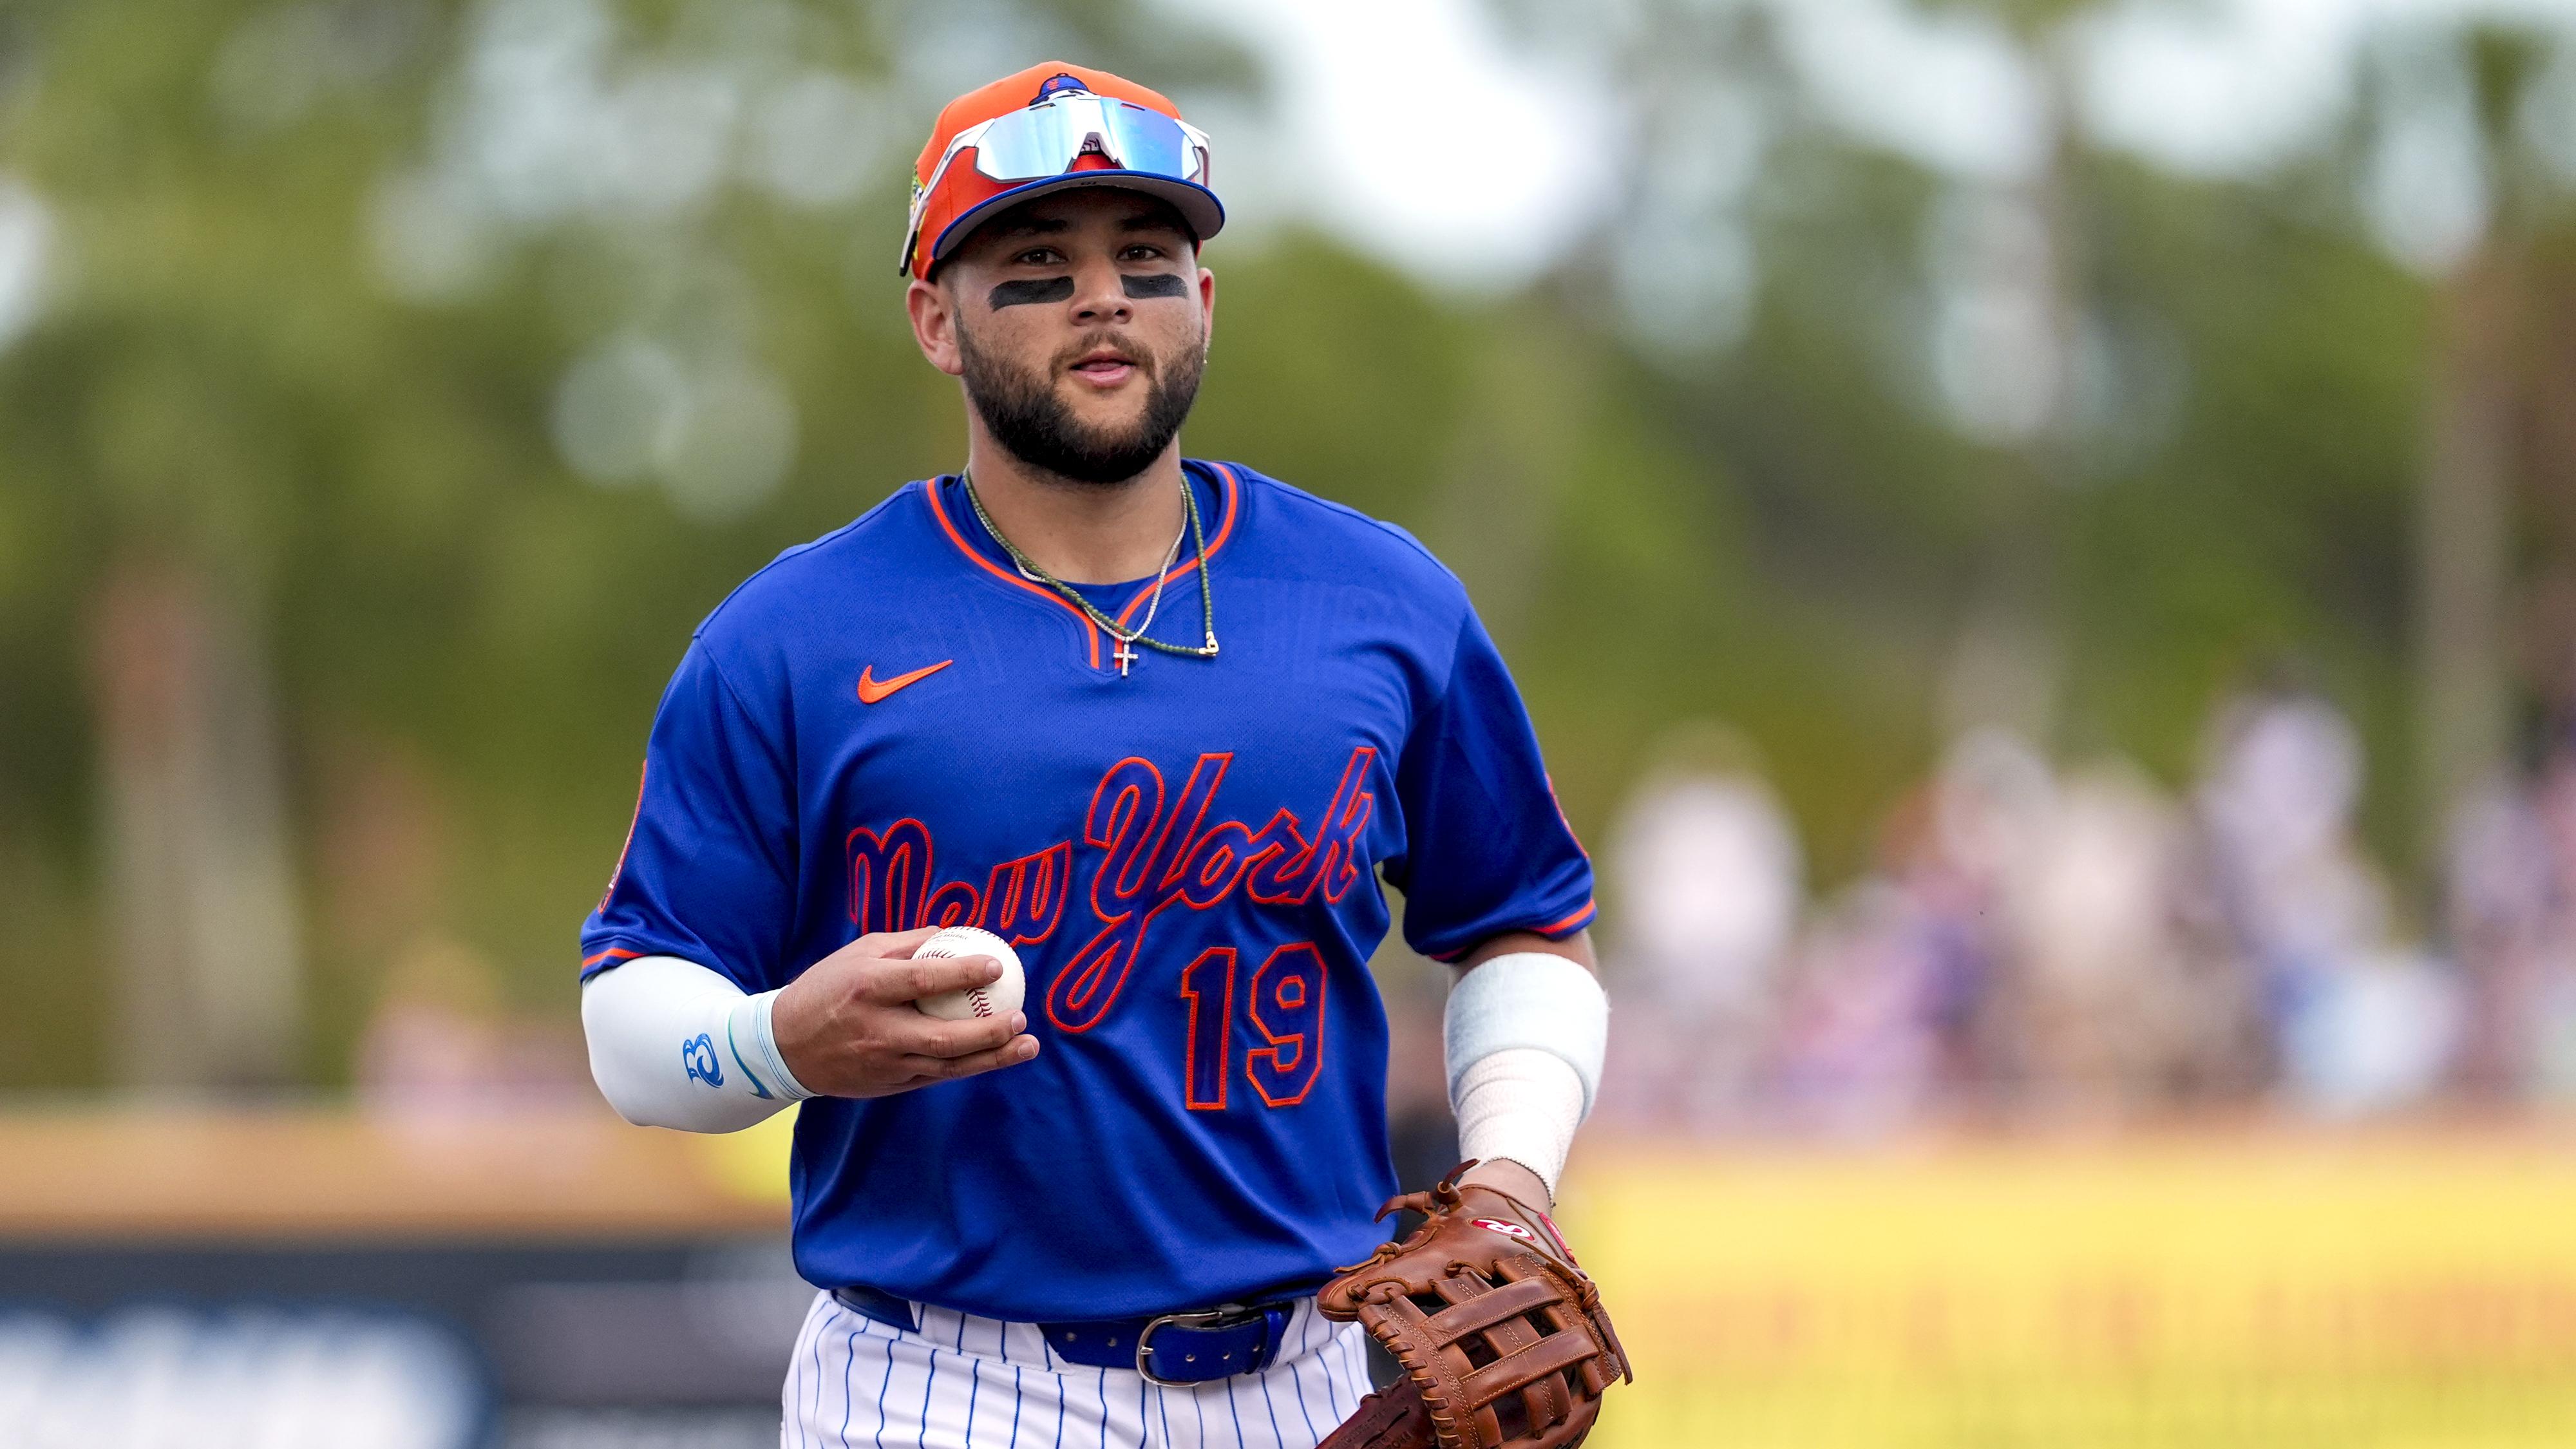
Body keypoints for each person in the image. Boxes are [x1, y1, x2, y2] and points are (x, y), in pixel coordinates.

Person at [573, 63, 1609, 1449]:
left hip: (1313, 1377)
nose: (1103, 295)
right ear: (934, 319)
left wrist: (1506, 1184)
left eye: (1146, 256)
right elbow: (631, 1023)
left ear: (1205, 300)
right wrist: (779, 1041)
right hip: (942, 1385)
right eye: (1039, 263)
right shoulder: (796, 635)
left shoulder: (1377, 599)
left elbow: (1526, 930)